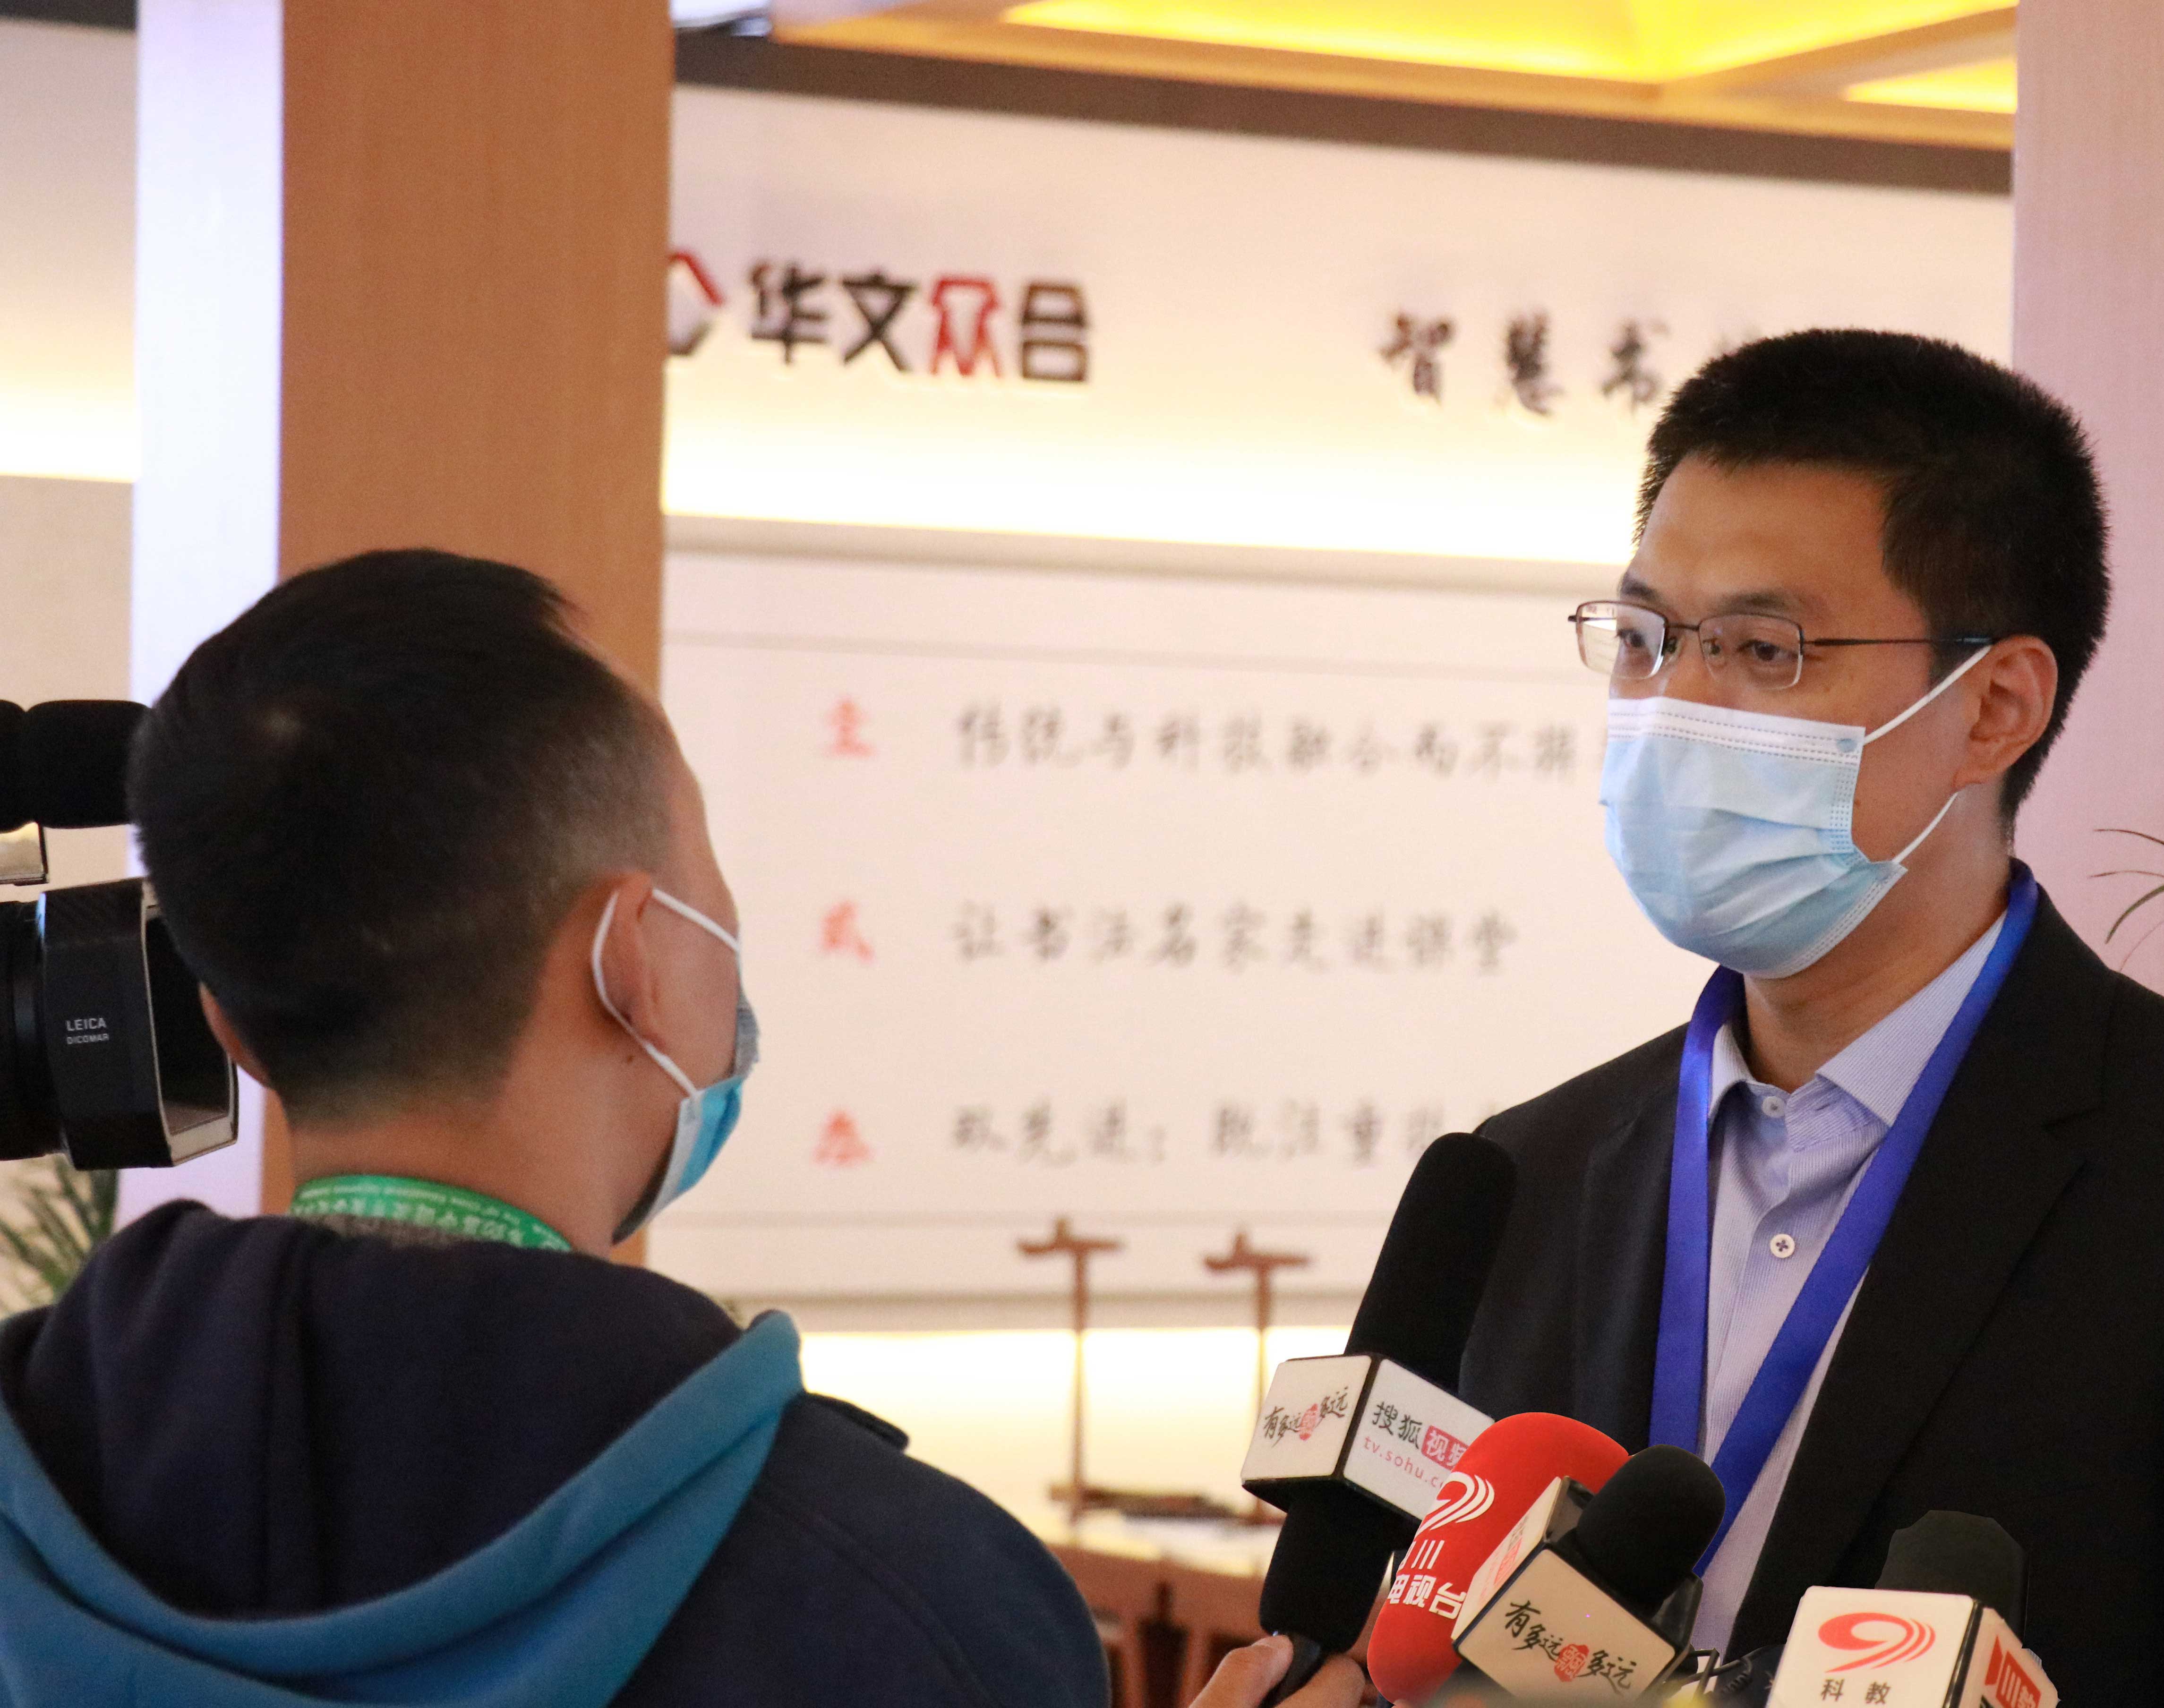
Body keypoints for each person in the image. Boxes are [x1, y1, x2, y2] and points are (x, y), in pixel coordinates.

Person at [0, 550, 1361, 1708]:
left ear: (226, 1024)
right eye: (709, 888)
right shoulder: (913, 1600)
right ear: (633, 956)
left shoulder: (35, 1479)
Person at [1457, 332, 2164, 1704]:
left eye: (1766, 651)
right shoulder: (1526, 1177)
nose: (1676, 710)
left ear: (1996, 708)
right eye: (1648, 641)